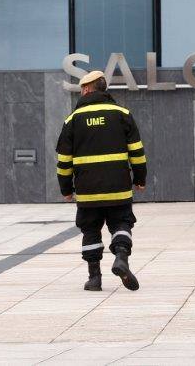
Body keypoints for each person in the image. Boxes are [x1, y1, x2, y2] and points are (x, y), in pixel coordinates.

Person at [56, 70, 146, 292]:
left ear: (86, 89)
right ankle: (121, 257)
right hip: (118, 187)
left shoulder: (73, 120)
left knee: (90, 230)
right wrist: (140, 178)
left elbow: (63, 160)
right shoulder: (122, 113)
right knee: (122, 223)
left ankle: (94, 278)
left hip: (88, 190)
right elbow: (137, 152)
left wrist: (66, 189)